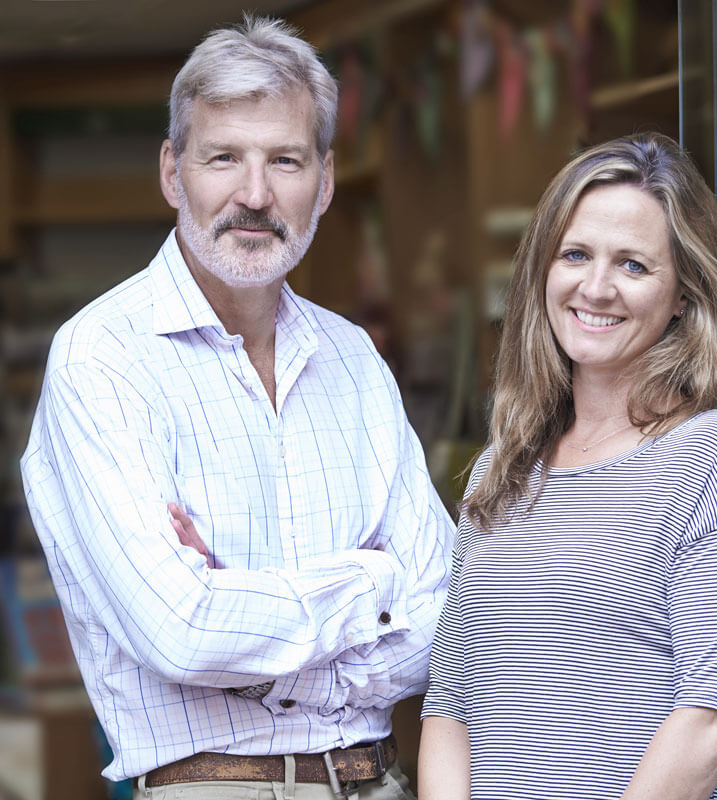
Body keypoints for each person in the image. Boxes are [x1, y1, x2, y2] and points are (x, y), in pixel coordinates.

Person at [20, 16, 454, 800]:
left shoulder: (354, 358)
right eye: (224, 157)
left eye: (284, 160)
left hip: (380, 781)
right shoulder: (102, 358)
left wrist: (248, 633)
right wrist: (372, 579)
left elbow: (446, 619)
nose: (254, 196)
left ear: (323, 182)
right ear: (172, 172)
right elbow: (182, 633)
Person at [417, 132, 717, 800]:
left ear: (683, 295)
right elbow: (449, 703)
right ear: (542, 273)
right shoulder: (502, 467)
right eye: (576, 254)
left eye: (634, 266)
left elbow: (716, 714)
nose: (596, 287)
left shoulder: (715, 455)